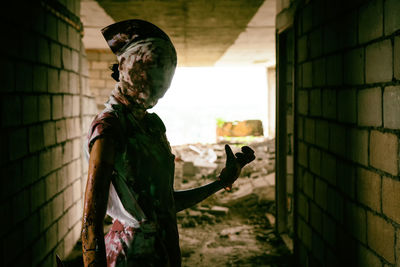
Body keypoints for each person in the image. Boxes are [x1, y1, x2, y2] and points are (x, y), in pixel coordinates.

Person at [81, 19, 256, 267]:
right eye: (149, 72)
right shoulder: (109, 130)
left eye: (163, 76)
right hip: (130, 258)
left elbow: (165, 205)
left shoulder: (152, 126)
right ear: (125, 68)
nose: (156, 87)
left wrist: (221, 183)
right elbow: (90, 225)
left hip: (163, 253)